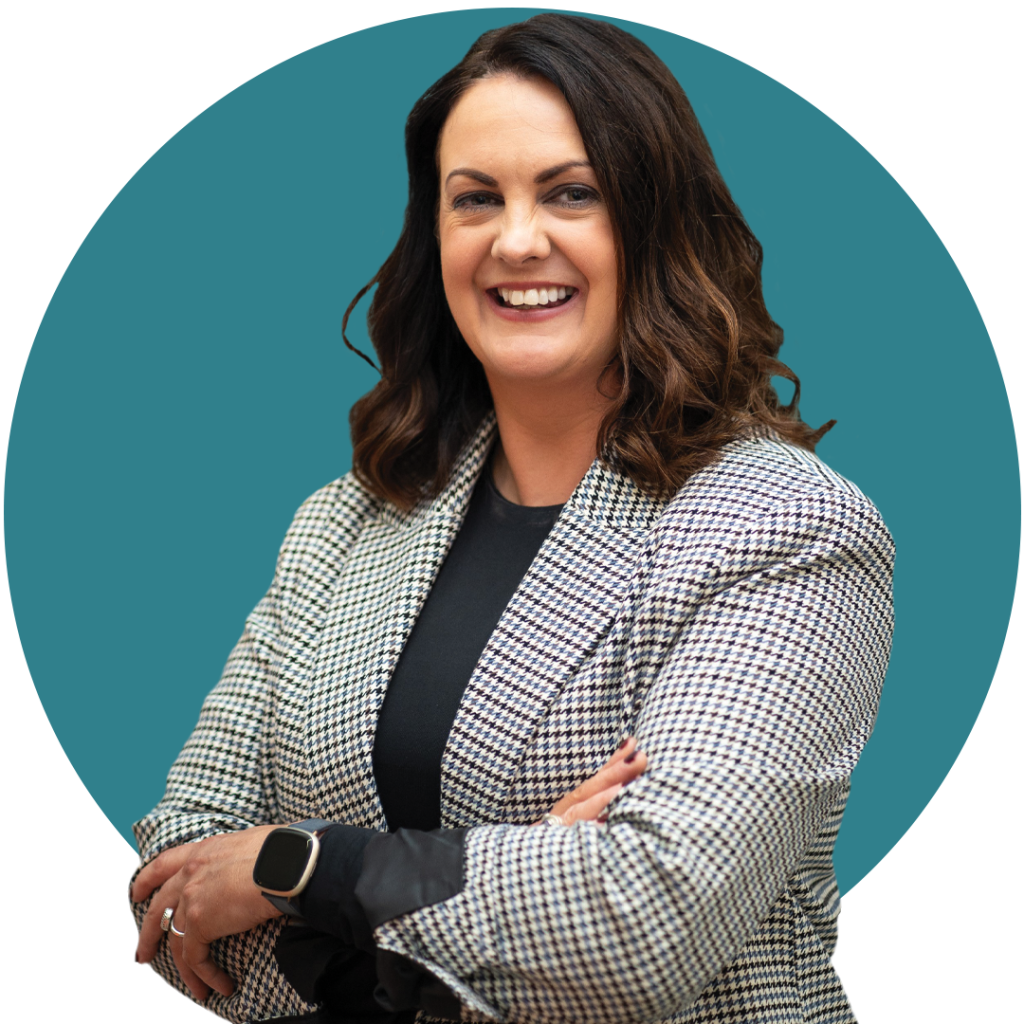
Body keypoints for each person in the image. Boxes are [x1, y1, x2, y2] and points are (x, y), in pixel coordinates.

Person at [129, 14, 894, 1024]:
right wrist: (523, 869)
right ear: (435, 237)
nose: (517, 239)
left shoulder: (785, 527)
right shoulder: (341, 524)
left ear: (656, 225)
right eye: (476, 199)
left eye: (572, 193)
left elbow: (645, 927)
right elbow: (172, 885)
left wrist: (299, 866)